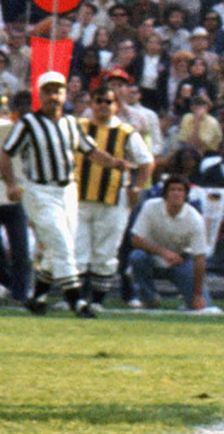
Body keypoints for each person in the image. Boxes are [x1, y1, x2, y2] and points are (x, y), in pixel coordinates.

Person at [1, 72, 140, 317]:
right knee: (63, 244)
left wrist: (115, 163)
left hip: (67, 190)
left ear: (65, 94)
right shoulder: (28, 124)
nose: (54, 97)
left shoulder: (71, 123)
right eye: (48, 91)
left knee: (58, 246)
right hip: (40, 190)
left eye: (58, 91)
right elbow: (5, 153)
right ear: (40, 94)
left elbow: (91, 151)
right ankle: (76, 301)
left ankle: (38, 297)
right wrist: (11, 183)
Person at [75, 82, 154, 312]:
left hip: (113, 199)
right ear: (91, 104)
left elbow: (146, 161)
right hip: (79, 197)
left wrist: (137, 188)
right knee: (78, 250)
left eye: (108, 101)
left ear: (116, 106)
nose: (103, 106)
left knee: (106, 252)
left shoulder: (125, 132)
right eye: (98, 101)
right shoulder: (78, 127)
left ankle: (98, 301)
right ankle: (78, 298)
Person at [127, 177, 219, 311]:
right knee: (136, 257)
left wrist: (198, 294)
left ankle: (190, 300)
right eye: (172, 189)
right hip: (150, 258)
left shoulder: (195, 219)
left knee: (204, 307)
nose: (176, 193)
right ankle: (149, 298)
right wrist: (163, 252)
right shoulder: (150, 206)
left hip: (180, 262)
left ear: (186, 194)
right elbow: (135, 239)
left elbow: (199, 258)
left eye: (180, 190)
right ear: (165, 193)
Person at [0, 97, 31, 304]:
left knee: (21, 248)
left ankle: (19, 291)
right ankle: (14, 287)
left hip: (15, 196)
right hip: (12, 193)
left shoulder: (22, 131)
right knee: (19, 249)